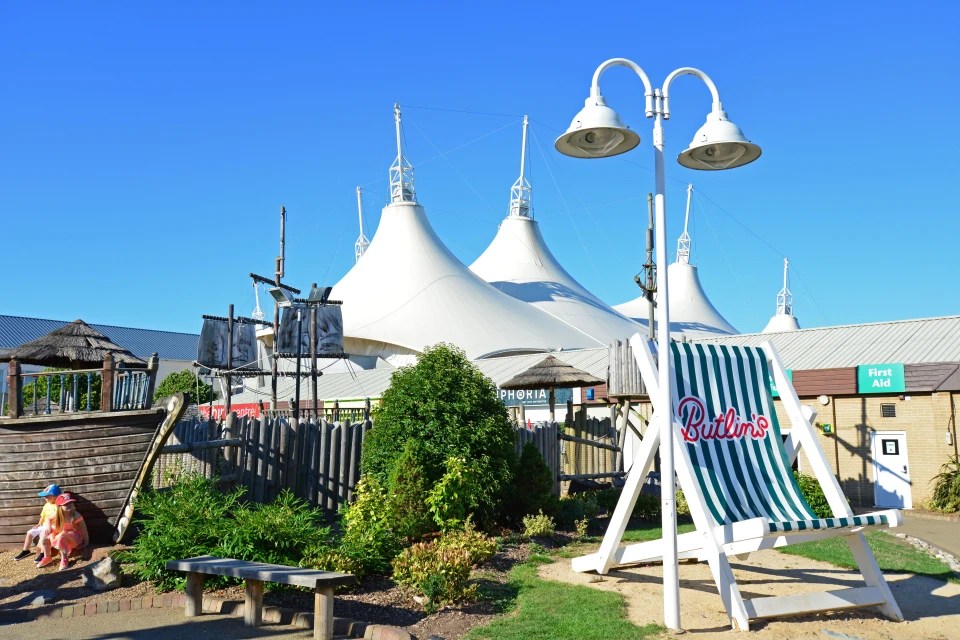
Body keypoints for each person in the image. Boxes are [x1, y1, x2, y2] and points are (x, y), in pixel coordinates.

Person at [37, 492, 88, 570]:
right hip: (62, 537)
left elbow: (84, 529)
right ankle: (47, 556)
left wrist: (86, 542)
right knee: (45, 534)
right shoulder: (57, 514)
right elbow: (48, 518)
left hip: (74, 538)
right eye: (66, 504)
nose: (69, 505)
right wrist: (48, 528)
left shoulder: (76, 515)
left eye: (70, 502)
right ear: (59, 507)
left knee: (61, 535)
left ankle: (64, 558)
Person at [14, 483, 61, 561]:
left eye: (47, 496)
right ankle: (26, 550)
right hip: (44, 525)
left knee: (43, 535)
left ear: (54, 496)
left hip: (52, 526)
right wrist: (39, 523)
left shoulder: (58, 506)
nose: (45, 498)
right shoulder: (46, 505)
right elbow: (43, 515)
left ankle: (43, 553)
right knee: (30, 533)